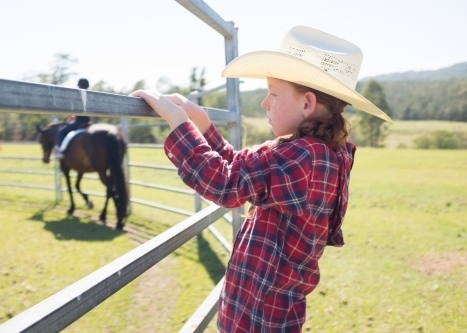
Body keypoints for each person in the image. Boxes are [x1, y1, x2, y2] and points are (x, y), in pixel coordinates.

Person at [132, 26, 391, 332]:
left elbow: (226, 184)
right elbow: (242, 170)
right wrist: (202, 125)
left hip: (259, 320)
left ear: (307, 103)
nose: (264, 103)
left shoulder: (303, 156)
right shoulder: (312, 152)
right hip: (263, 313)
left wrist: (179, 124)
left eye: (273, 93)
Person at [54, 78, 92, 158]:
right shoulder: (91, 95)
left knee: (61, 131)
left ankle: (61, 151)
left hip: (79, 122)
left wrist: (71, 116)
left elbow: (78, 112)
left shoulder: (78, 95)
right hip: (88, 122)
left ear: (79, 85)